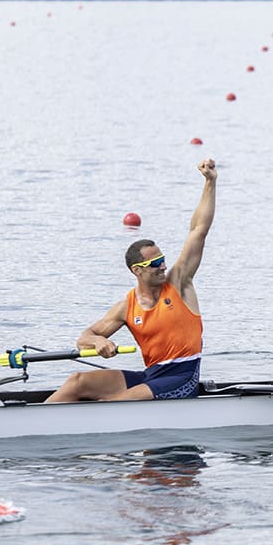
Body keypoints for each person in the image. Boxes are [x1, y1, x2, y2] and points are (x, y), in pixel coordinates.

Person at [46, 159, 217, 402]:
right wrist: (98, 341)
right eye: (155, 263)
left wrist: (210, 182)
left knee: (120, 402)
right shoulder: (127, 307)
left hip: (183, 377)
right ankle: (31, 421)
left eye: (162, 259)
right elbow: (84, 338)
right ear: (137, 270)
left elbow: (198, 230)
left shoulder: (178, 283)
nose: (163, 266)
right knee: (77, 382)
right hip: (153, 375)